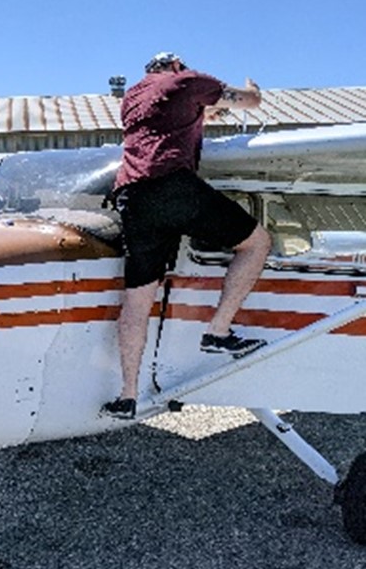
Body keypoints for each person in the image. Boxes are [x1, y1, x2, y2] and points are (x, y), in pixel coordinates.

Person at [102, 52, 272, 420]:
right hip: (172, 187)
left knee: (137, 299)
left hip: (132, 197)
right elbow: (250, 102)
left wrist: (206, 115)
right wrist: (251, 89)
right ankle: (218, 331)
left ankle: (127, 395)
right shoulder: (187, 81)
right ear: (176, 65)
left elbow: (181, 119)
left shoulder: (132, 98)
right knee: (257, 242)